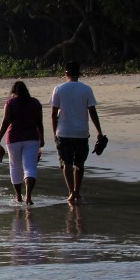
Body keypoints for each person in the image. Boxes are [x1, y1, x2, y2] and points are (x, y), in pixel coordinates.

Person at [50, 61, 104, 205]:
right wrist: (99, 131)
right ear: (78, 74)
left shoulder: (58, 89)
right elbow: (92, 111)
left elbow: (53, 113)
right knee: (79, 163)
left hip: (64, 132)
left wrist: (54, 131)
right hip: (81, 132)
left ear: (66, 73)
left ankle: (71, 192)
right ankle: (77, 192)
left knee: (67, 163)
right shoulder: (86, 89)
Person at [0, 80, 44, 205]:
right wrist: (42, 138)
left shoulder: (10, 103)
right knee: (30, 167)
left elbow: (6, 122)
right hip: (32, 138)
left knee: (15, 167)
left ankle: (18, 197)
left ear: (13, 92)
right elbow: (39, 123)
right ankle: (28, 197)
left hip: (14, 139)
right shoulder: (35, 103)